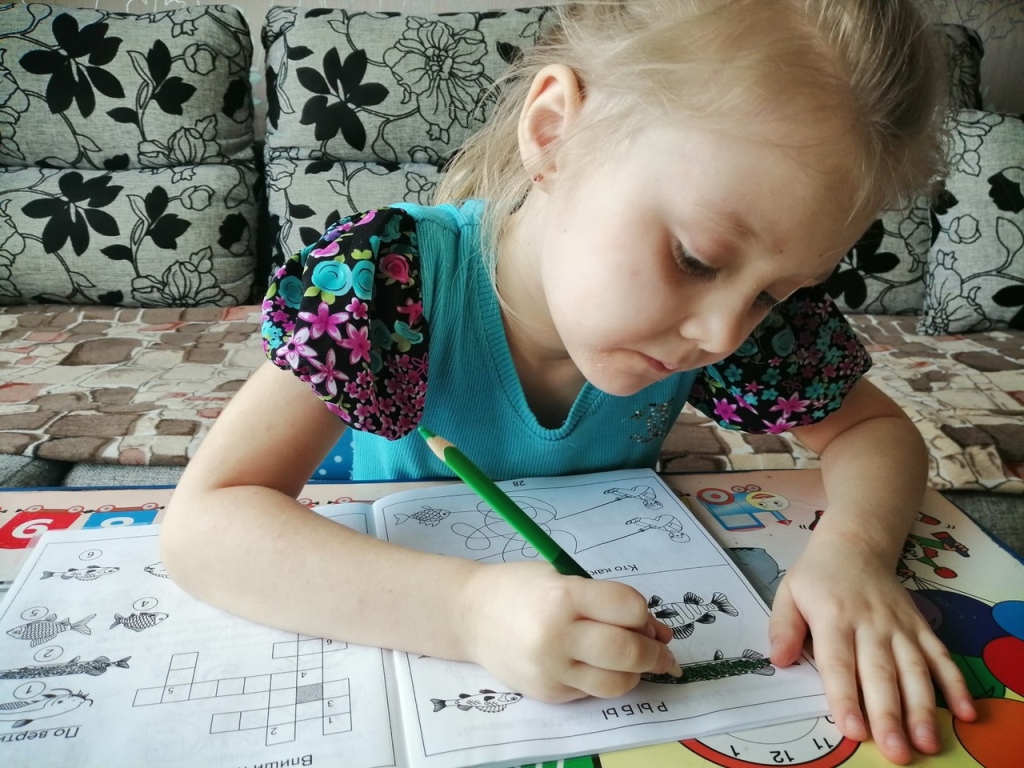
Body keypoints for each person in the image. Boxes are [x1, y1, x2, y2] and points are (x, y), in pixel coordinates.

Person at [160, 1, 976, 763]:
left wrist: (853, 554)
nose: (726, 334)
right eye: (695, 259)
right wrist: (469, 613)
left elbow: (874, 431)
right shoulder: (387, 283)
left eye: (776, 295)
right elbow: (205, 524)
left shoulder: (731, 316)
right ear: (555, 134)